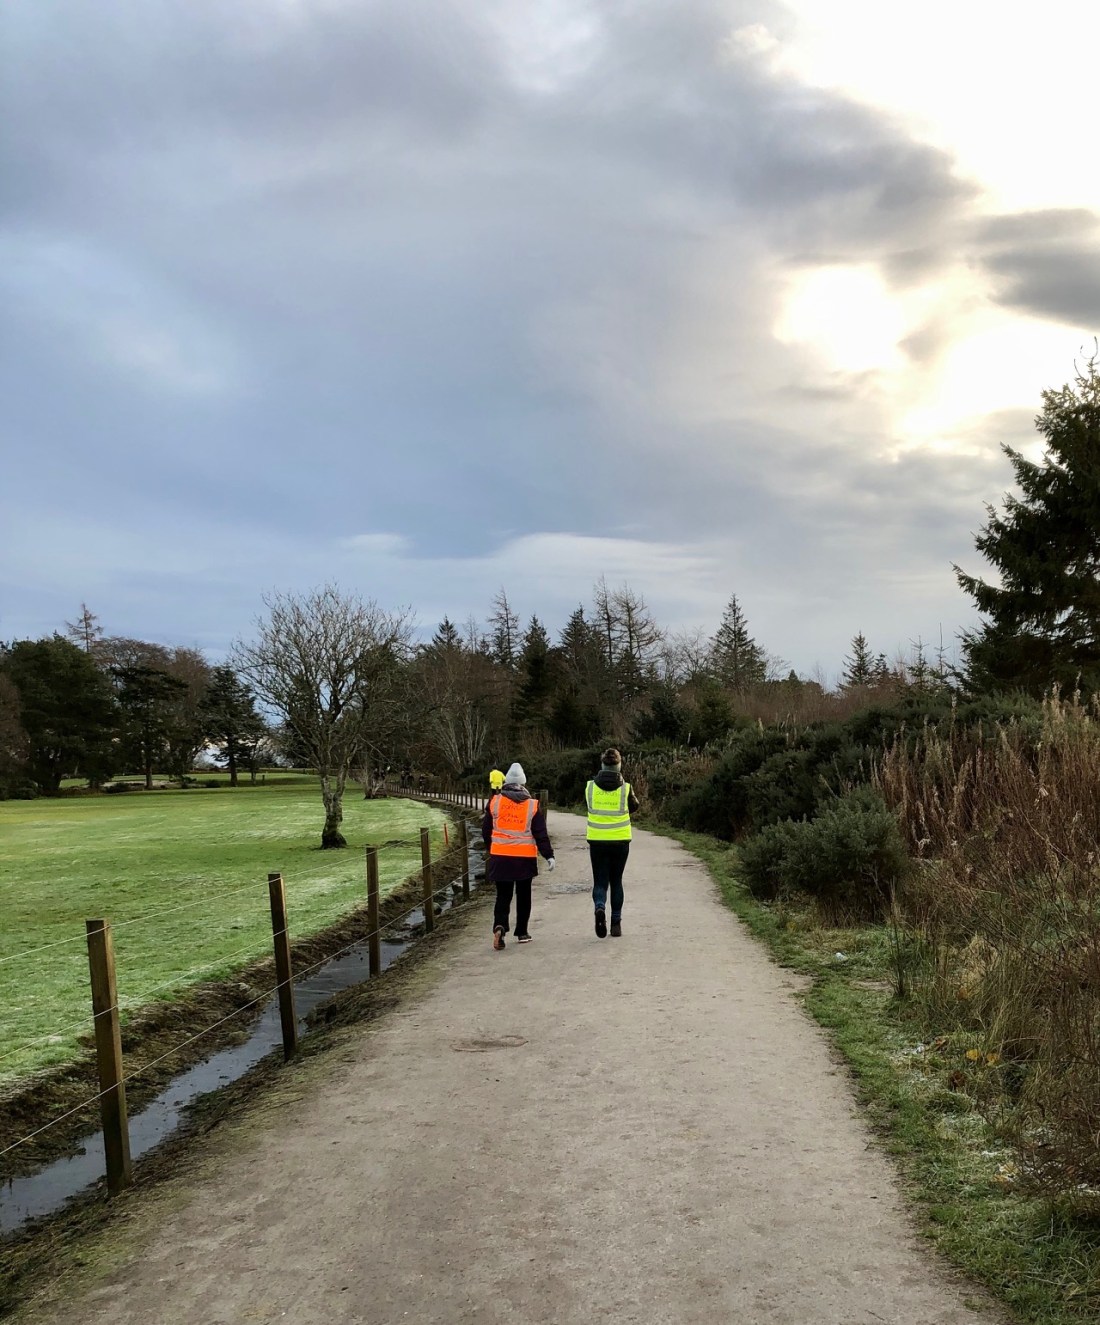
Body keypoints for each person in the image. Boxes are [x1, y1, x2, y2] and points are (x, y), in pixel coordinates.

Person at [482, 762, 554, 949]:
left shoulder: (495, 802)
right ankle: (522, 932)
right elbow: (540, 833)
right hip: (524, 859)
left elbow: (486, 830)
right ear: (523, 783)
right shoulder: (532, 805)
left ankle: (500, 926)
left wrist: (492, 848)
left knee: (503, 895)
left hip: (500, 856)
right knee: (524, 896)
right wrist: (548, 855)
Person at [585, 747, 639, 939]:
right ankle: (616, 924)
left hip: (597, 840)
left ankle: (600, 907)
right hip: (620, 840)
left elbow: (589, 806)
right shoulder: (626, 788)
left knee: (600, 882)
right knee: (616, 881)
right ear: (619, 765)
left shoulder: (590, 787)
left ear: (602, 764)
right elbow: (634, 806)